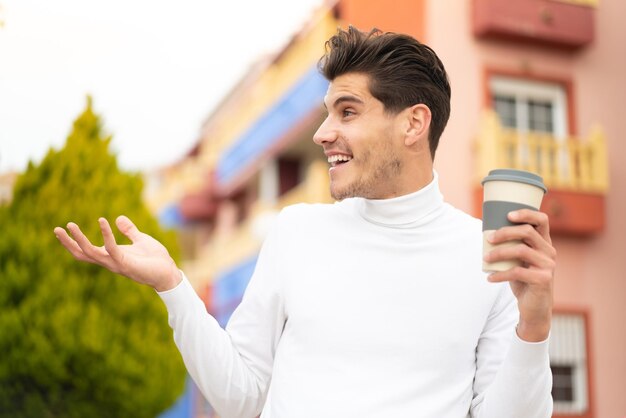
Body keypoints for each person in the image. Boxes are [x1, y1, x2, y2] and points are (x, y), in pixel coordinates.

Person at [54, 26, 556, 417]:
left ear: (413, 123)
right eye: (326, 113)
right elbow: (240, 397)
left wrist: (533, 325)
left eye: (348, 111)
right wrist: (173, 286)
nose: (322, 133)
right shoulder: (297, 233)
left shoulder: (487, 256)